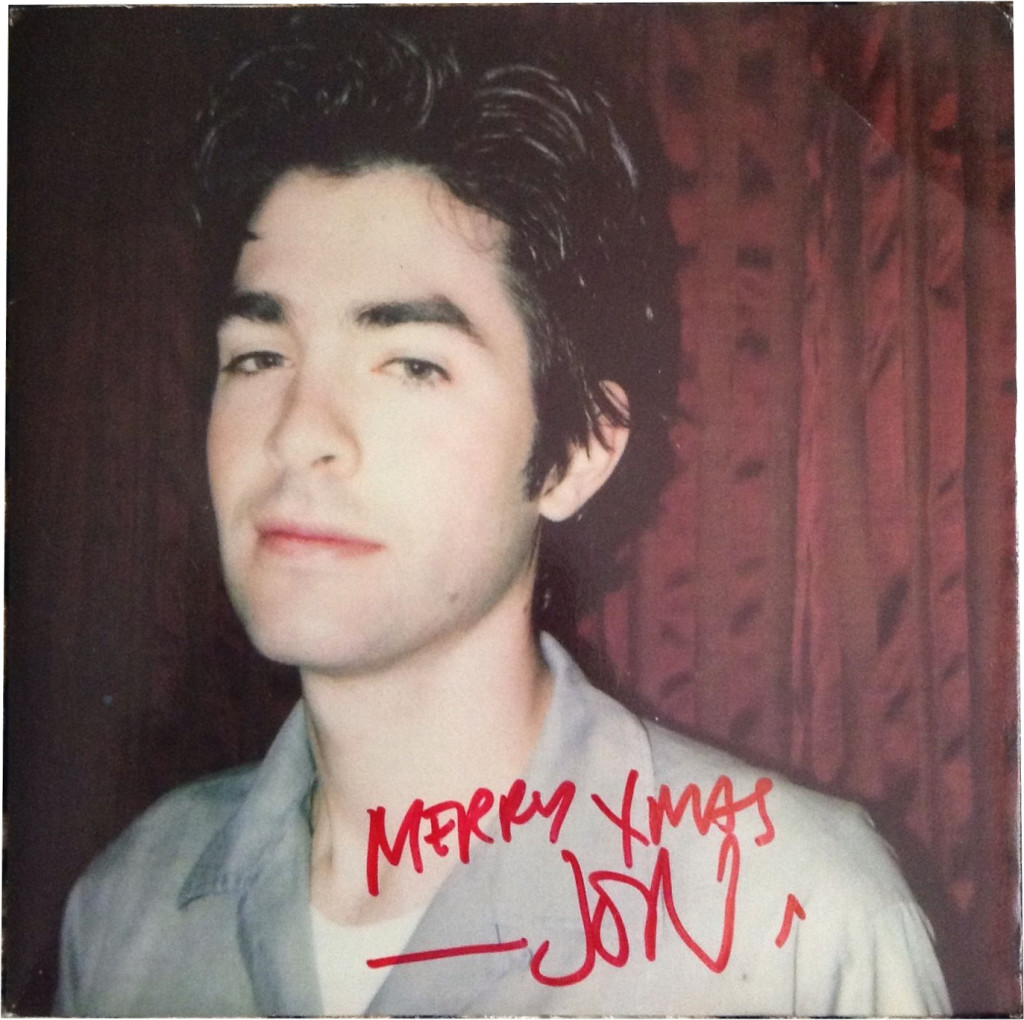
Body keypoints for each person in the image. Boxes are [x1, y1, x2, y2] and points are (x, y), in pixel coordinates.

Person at [55, 14, 951, 1017]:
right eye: (259, 357)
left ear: (575, 452)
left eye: (410, 364)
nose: (299, 432)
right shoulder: (127, 906)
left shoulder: (799, 918)